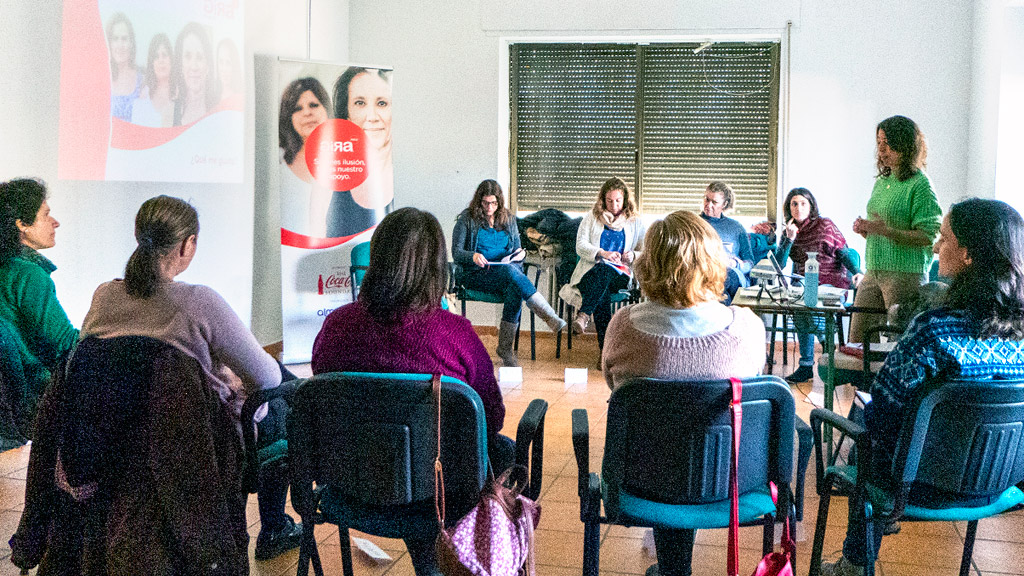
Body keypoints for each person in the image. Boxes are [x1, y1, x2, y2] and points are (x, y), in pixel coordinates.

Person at [78, 196, 302, 560]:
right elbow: (265, 378)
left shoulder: (104, 296)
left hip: (113, 437)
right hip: (194, 444)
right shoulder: (199, 302)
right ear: (188, 245)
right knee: (287, 394)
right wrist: (228, 378)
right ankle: (275, 527)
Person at [821, 198, 1024, 576]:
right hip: (1000, 485)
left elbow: (883, 409)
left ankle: (853, 563)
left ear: (966, 254)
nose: (934, 246)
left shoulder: (935, 329)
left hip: (917, 485)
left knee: (863, 423)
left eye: (943, 238)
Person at [311, 207, 512, 576]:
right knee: (504, 449)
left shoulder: (337, 326)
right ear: (438, 269)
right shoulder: (456, 334)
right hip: (441, 495)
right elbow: (492, 418)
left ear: (377, 261)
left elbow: (320, 391)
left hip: (350, 487)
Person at [602, 210, 766, 576]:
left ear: (649, 263)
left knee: (668, 448)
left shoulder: (623, 326)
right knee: (692, 448)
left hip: (642, 479)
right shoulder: (748, 328)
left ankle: (673, 569)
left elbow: (615, 385)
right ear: (712, 262)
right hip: (731, 481)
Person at [451, 179, 567, 366]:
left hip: (505, 273)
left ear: (499, 202)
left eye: (494, 203)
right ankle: (548, 314)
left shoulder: (508, 219)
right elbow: (456, 253)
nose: (490, 207)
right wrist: (473, 256)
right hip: (476, 274)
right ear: (479, 201)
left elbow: (516, 248)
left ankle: (505, 348)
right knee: (510, 275)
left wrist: (520, 253)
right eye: (486, 203)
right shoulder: (467, 219)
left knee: (514, 286)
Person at [848, 115, 942, 343]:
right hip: (874, 270)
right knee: (857, 339)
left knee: (898, 343)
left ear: (905, 145)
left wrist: (886, 230)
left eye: (887, 143)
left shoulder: (921, 184)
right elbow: (882, 228)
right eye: (879, 142)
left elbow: (928, 236)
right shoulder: (883, 181)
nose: (882, 149)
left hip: (905, 275)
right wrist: (867, 230)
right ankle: (861, 381)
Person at [0, 179, 77, 450]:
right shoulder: (28, 275)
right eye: (45, 215)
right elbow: (66, 345)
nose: (55, 222)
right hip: (33, 401)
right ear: (22, 224)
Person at [774, 187, 862, 382]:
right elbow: (779, 264)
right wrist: (789, 239)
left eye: (803, 203)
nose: (798, 208)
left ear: (811, 206)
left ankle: (825, 349)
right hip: (804, 286)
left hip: (832, 283)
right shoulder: (789, 231)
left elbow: (844, 253)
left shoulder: (825, 225)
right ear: (789, 208)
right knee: (801, 304)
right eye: (794, 204)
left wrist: (857, 272)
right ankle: (809, 363)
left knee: (808, 303)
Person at [559, 177, 645, 351]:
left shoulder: (635, 221)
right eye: (609, 201)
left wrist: (633, 255)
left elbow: (645, 251)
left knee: (603, 278)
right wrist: (601, 253)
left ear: (625, 200)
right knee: (601, 288)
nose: (614, 205)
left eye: (618, 201)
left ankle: (584, 315)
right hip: (591, 273)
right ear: (603, 200)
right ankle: (604, 352)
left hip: (620, 276)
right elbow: (580, 246)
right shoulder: (592, 217)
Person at [311, 67, 394, 238]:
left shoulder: (402, 176)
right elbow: (315, 243)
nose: (372, 116)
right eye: (360, 103)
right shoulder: (329, 176)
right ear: (347, 114)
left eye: (381, 103)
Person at [278, 77, 332, 233]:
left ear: (327, 109)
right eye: (297, 108)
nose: (307, 112)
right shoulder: (279, 163)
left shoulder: (348, 160)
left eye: (313, 105)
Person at [700, 181, 754, 304]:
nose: (708, 205)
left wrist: (736, 264)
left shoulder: (736, 228)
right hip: (705, 275)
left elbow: (750, 263)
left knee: (727, 277)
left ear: (724, 204)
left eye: (714, 202)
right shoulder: (695, 224)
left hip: (732, 274)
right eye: (706, 199)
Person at [173, 22, 215, 126]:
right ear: (180, 64)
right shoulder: (171, 110)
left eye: (200, 57)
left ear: (208, 65)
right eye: (187, 56)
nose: (194, 66)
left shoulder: (219, 108)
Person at [130, 33, 175, 128]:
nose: (161, 60)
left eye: (164, 55)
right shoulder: (141, 101)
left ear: (171, 59)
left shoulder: (180, 94)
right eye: (156, 57)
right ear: (151, 63)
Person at [106, 12, 143, 122]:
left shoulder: (143, 81)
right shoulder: (101, 78)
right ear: (109, 43)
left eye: (124, 39)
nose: (120, 45)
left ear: (131, 42)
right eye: (115, 39)